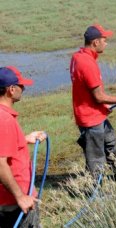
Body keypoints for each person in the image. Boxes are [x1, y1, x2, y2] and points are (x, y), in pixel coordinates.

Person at [70, 24, 116, 181]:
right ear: (95, 42)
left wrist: (103, 105)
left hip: (97, 114)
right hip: (90, 120)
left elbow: (88, 92)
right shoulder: (87, 63)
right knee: (96, 159)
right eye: (104, 40)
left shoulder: (77, 57)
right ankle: (95, 191)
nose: (106, 43)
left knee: (112, 146)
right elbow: (99, 96)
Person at [0, 66, 47, 227]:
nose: (24, 88)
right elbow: (0, 164)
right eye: (21, 85)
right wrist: (21, 197)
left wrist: (24, 140)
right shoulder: (4, 120)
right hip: (14, 202)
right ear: (11, 89)